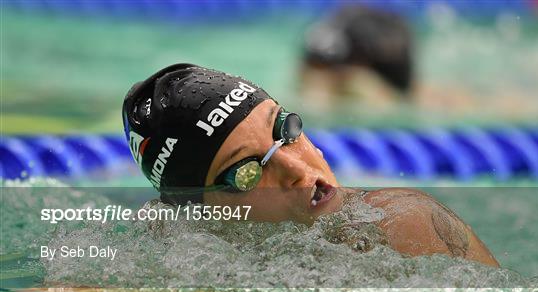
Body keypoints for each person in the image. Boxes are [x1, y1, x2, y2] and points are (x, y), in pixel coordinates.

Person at [122, 63, 499, 267]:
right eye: (248, 171)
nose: (300, 171)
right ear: (203, 212)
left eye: (283, 130)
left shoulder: (403, 226)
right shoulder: (178, 257)